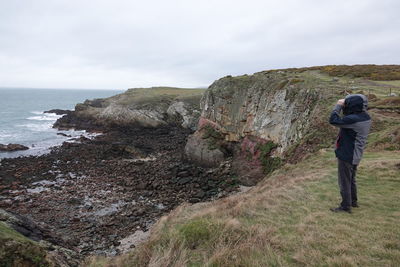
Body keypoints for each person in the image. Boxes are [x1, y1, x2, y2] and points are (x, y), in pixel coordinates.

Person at [329, 94, 371, 213]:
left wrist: (338, 106)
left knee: (344, 181)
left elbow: (333, 120)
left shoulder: (353, 119)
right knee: (351, 179)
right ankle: (353, 201)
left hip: (348, 154)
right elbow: (348, 117)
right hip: (356, 154)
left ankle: (345, 206)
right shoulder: (365, 117)